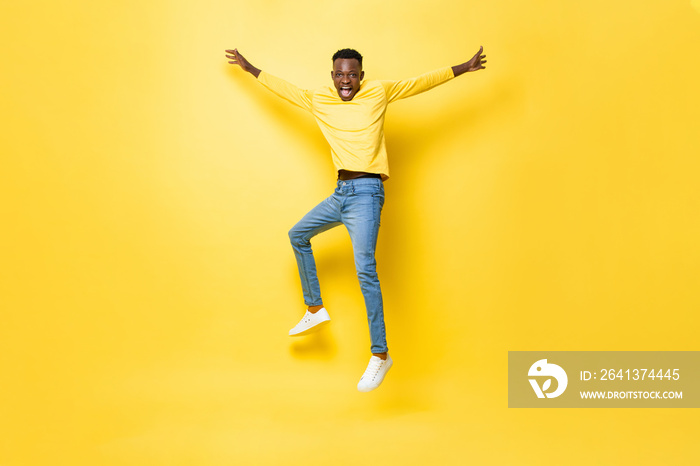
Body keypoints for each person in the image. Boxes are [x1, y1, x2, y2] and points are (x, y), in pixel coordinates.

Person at [225, 46, 486, 392]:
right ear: (331, 76)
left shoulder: (379, 91)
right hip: (341, 194)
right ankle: (315, 308)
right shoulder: (319, 98)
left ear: (361, 76)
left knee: (365, 269)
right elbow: (286, 90)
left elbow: (420, 82)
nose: (345, 80)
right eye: (339, 74)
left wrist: (463, 68)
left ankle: (380, 355)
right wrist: (250, 68)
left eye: (351, 74)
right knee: (297, 234)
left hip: (367, 193)